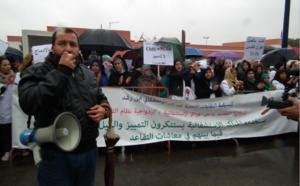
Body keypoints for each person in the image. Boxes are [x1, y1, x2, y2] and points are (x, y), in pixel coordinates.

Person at [18, 28, 110, 185]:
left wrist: (104, 110)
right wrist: (61, 72)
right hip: (55, 156)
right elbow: (29, 103)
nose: (68, 48)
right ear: (52, 48)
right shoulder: (36, 71)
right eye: (62, 43)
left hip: (88, 152)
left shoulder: (87, 74)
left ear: (78, 49)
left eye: (73, 44)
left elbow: (103, 100)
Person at [0, 56, 16, 161]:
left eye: (9, 64)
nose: (8, 67)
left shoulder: (14, 77)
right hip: (4, 112)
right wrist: (5, 85)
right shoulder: (2, 80)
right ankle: (6, 151)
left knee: (15, 130)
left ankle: (17, 149)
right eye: (4, 65)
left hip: (14, 110)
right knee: (6, 133)